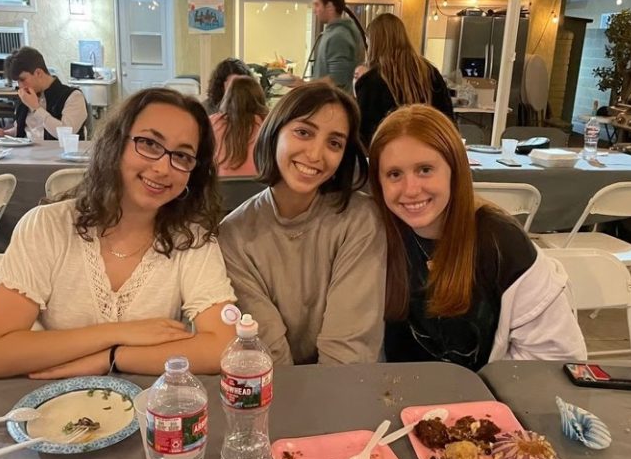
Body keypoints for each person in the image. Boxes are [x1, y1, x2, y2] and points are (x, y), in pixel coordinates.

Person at [0, 88, 237, 379]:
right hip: (52, 410)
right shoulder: (49, 226)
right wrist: (119, 333)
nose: (163, 167)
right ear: (115, 144)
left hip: (150, 412)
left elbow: (224, 348)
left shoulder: (191, 240)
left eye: (183, 156)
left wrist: (112, 357)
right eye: (149, 143)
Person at [369, 105, 586, 370]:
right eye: (394, 174)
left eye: (425, 169)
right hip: (394, 397)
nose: (411, 189)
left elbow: (557, 358)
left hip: (484, 403)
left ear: (455, 170)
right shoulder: (376, 234)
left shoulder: (501, 243)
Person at [219, 81, 385, 365]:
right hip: (276, 387)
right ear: (274, 133)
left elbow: (349, 350)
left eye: (334, 143)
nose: (315, 155)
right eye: (303, 132)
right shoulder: (233, 235)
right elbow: (267, 350)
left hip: (345, 386)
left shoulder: (361, 220)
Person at [356, 13, 454, 147]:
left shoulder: (371, 81)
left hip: (389, 154)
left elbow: (364, 134)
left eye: (368, 41)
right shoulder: (430, 73)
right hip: (429, 149)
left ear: (374, 42)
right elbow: (448, 122)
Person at [288, 0, 366, 94]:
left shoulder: (338, 36)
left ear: (329, 6)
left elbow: (336, 80)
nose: (314, 10)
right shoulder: (335, 33)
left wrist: (304, 85)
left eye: (317, 5)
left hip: (335, 105)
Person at [0, 46, 88, 140]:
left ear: (38, 73)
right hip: (26, 153)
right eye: (17, 81)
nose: (20, 86)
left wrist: (36, 108)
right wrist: (5, 133)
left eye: (22, 80)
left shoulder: (73, 96)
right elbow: (26, 128)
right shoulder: (26, 95)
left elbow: (67, 134)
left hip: (57, 153)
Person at [210, 76, 268, 176]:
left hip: (220, 187)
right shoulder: (268, 122)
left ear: (228, 97)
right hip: (261, 187)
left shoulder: (212, 122)